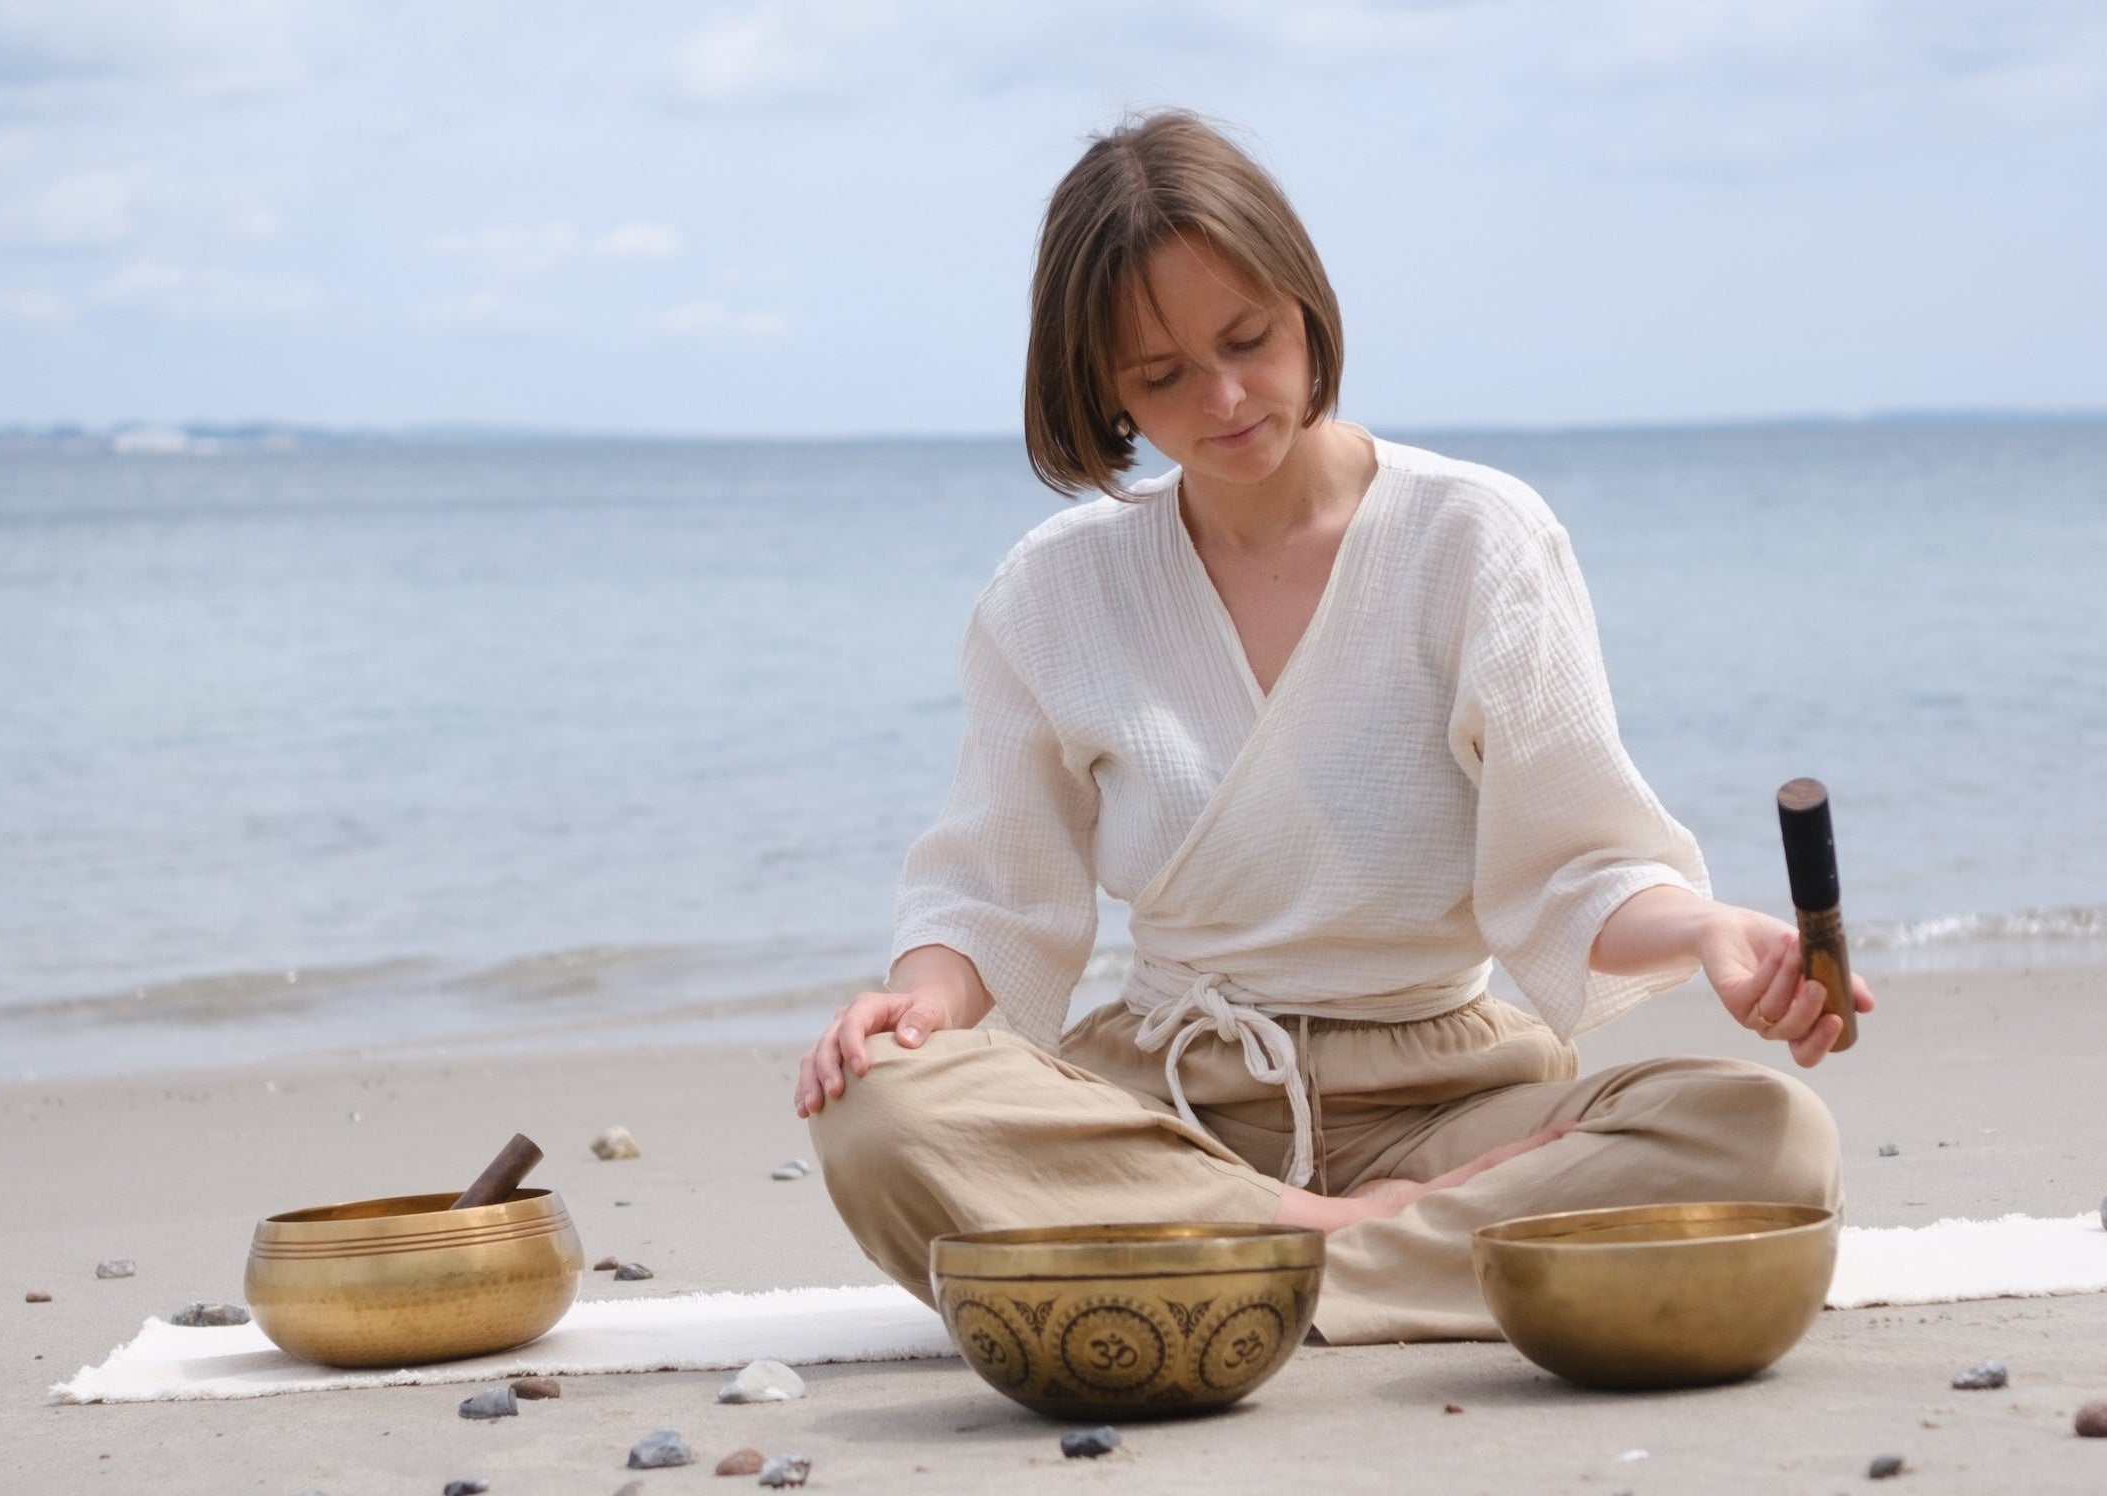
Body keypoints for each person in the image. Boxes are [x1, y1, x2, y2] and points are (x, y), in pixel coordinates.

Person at [797, 108, 1874, 1344]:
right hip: (1167, 1099)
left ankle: (1230, 1265)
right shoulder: (1054, 589)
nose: (1226, 395)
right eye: (1160, 377)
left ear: (1304, 304)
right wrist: (916, 1008)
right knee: (877, 1107)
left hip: (1449, 1106)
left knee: (1771, 1137)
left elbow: (1578, 862)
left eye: (1248, 338)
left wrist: (1712, 927)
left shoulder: (1476, 537)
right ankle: (1354, 1245)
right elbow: (993, 890)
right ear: (1098, 388)